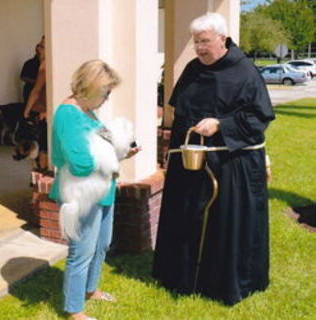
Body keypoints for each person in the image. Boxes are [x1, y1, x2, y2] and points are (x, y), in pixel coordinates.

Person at [152, 12, 275, 306]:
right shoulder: (193, 69)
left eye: (205, 42)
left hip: (232, 164)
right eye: (196, 42)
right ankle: (181, 275)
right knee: (186, 217)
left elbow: (258, 117)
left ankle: (220, 282)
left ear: (222, 38)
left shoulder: (245, 72)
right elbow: (180, 113)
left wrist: (222, 124)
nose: (199, 48)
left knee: (225, 223)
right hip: (192, 160)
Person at [49, 59, 140, 320]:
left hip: (102, 189)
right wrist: (110, 156)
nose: (108, 97)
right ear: (90, 86)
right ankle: (74, 310)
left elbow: (96, 154)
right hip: (80, 194)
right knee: (81, 251)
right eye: (106, 91)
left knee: (102, 245)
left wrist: (122, 153)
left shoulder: (88, 112)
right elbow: (79, 165)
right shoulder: (68, 114)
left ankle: (90, 290)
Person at [23, 36, 48, 170]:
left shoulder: (45, 64)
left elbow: (36, 90)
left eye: (42, 46)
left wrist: (26, 112)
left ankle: (42, 178)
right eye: (39, 45)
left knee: (43, 147)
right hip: (46, 111)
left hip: (44, 112)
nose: (39, 48)